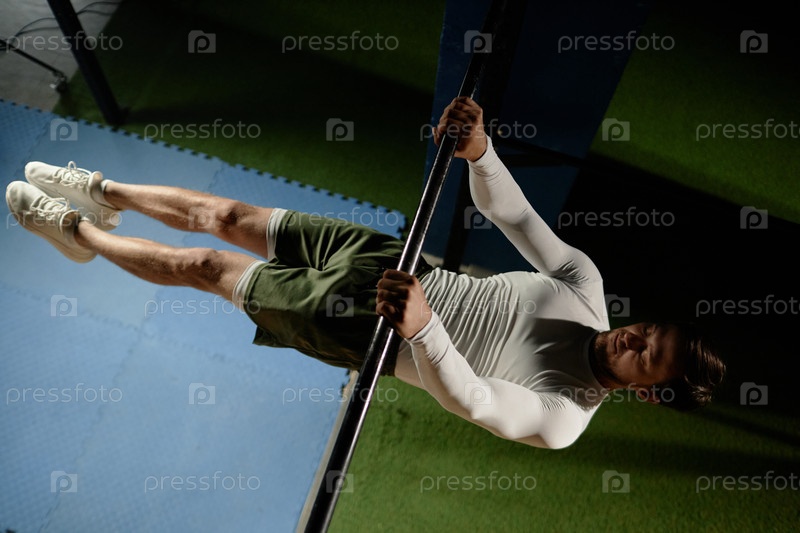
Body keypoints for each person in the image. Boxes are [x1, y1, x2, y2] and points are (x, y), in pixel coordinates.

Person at [5, 97, 725, 449]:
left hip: (371, 326)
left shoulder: (563, 417)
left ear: (646, 393)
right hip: (393, 264)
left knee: (207, 265)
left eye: (646, 356)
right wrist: (481, 153)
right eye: (649, 330)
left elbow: (475, 400)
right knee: (227, 213)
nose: (633, 338)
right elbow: (514, 215)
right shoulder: (587, 287)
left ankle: (75, 232)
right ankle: (100, 190)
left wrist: (426, 329)